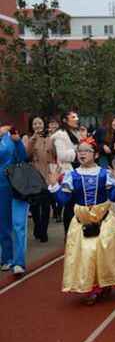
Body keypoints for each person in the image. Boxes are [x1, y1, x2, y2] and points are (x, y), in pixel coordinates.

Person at [47, 137, 115, 305]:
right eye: (80, 151)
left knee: (105, 255)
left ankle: (105, 282)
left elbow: (114, 197)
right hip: (82, 222)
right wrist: (54, 186)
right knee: (86, 255)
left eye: (86, 151)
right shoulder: (71, 176)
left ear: (95, 154)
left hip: (105, 221)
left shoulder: (104, 174)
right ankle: (90, 288)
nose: (82, 154)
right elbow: (64, 200)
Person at [0, 123, 29, 275]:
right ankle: (6, 257)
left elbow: (23, 157)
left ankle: (19, 262)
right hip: (1, 186)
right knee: (3, 224)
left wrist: (17, 141)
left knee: (19, 223)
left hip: (18, 184)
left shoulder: (8, 135)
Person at [22, 115, 56, 243]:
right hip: (34, 174)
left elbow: (54, 155)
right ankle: (37, 226)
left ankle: (44, 230)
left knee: (46, 204)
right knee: (35, 205)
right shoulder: (28, 138)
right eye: (35, 124)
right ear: (31, 126)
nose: (38, 126)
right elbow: (26, 154)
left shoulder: (50, 138)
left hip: (47, 174)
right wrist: (33, 139)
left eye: (40, 123)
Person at [52, 110, 82, 235]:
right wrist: (78, 152)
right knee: (70, 206)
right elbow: (62, 155)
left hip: (79, 172)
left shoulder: (77, 133)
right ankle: (69, 235)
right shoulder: (60, 135)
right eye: (73, 117)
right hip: (68, 173)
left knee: (79, 205)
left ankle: (78, 233)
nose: (76, 119)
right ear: (65, 119)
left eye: (77, 117)